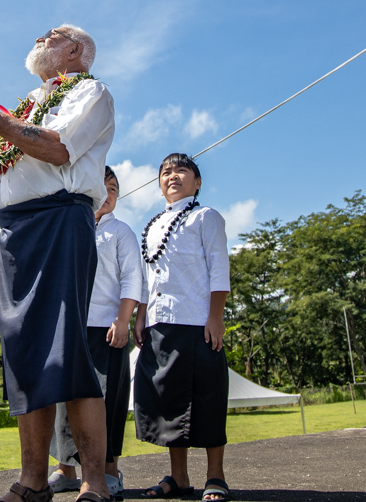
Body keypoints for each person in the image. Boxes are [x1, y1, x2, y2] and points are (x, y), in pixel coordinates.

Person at [0, 24, 115, 502]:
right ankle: (33, 480)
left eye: (53, 34)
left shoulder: (91, 92)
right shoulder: (26, 107)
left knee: (67, 349)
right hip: (16, 232)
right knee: (25, 354)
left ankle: (95, 481)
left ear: (75, 50)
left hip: (60, 219)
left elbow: (57, 148)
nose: (40, 37)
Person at [133, 153, 231, 502]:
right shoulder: (154, 223)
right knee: (168, 401)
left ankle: (216, 476)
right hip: (160, 324)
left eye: (181, 170)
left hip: (198, 323)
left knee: (208, 397)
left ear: (197, 181)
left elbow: (219, 269)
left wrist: (215, 317)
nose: (172, 175)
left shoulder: (206, 217)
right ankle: (179, 477)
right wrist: (141, 316)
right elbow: (147, 278)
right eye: (165, 171)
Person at [48, 166, 145, 498]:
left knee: (106, 401)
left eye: (114, 189)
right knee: (64, 400)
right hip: (69, 326)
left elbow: (133, 278)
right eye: (100, 186)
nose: (106, 194)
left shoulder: (121, 232)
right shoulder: (68, 227)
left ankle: (109, 470)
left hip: (107, 329)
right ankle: (65, 469)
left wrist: (123, 319)